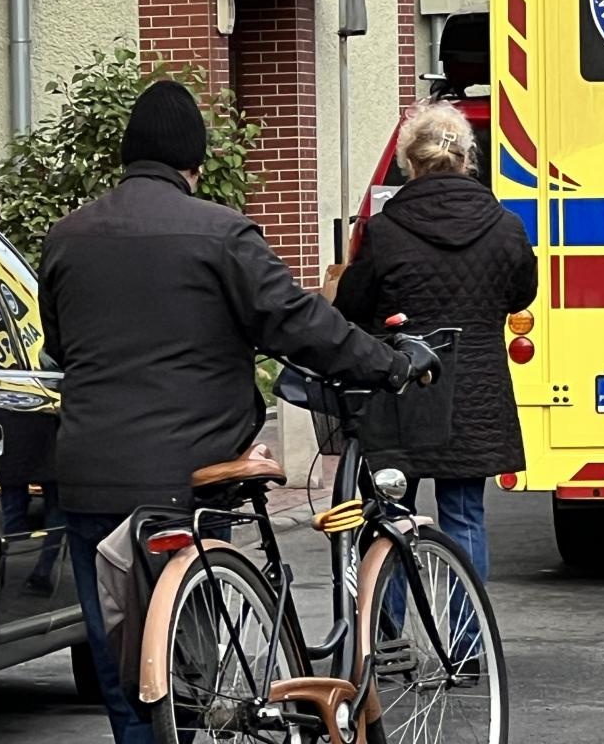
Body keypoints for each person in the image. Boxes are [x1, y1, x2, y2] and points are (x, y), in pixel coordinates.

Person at [39, 80, 434, 744]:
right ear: (193, 163)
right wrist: (386, 363)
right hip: (190, 475)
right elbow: (298, 321)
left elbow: (60, 343)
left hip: (89, 477)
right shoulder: (220, 233)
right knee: (188, 661)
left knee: (120, 661)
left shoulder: (66, 237)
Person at [335, 100, 537, 583]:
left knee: (391, 515)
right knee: (465, 514)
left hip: (401, 391)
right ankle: (468, 630)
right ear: (467, 158)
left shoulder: (385, 230)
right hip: (474, 392)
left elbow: (352, 306)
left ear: (410, 162)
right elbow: (521, 293)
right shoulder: (505, 227)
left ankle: (387, 627)